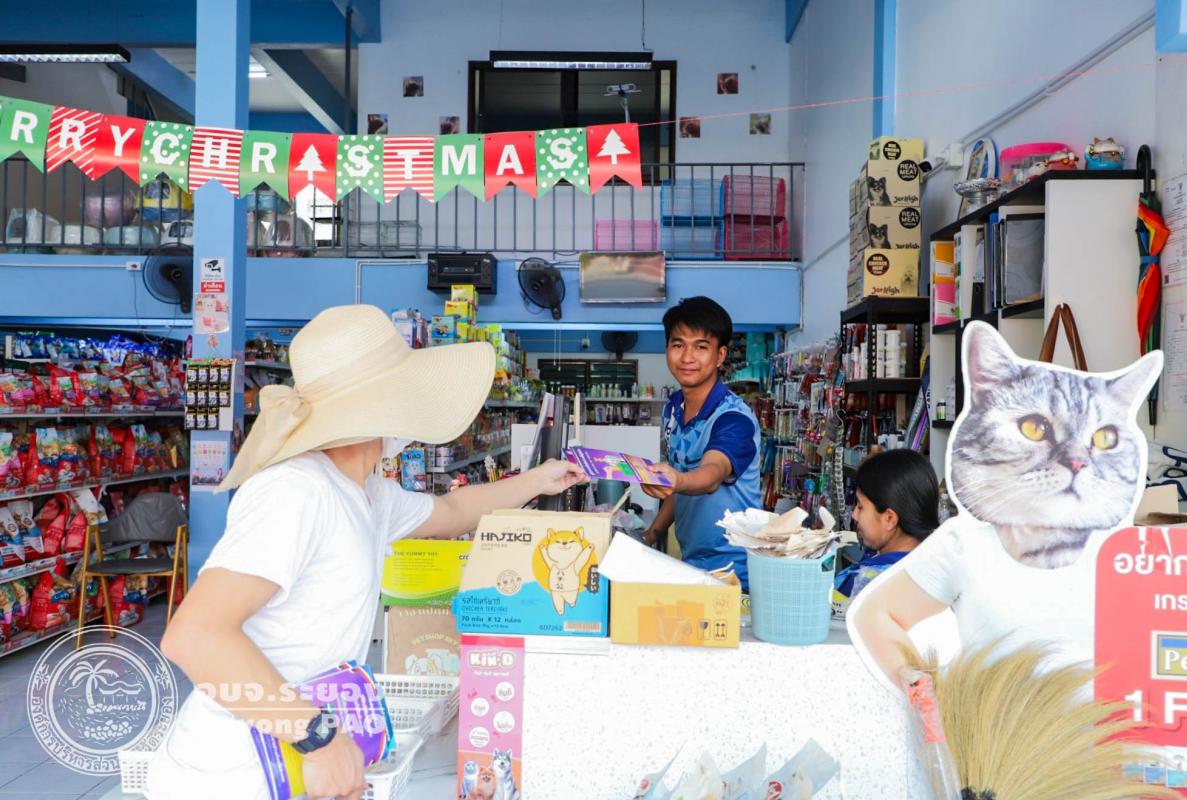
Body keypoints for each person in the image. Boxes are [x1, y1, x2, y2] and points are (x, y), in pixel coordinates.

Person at [147, 305, 585, 800]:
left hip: (290, 765)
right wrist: (316, 737)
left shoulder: (367, 493)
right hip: (232, 772)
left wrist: (539, 479)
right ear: (382, 407)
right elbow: (195, 636)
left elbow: (452, 511)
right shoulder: (296, 491)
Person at [642, 296, 761, 589]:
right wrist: (651, 534)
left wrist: (677, 479)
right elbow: (679, 486)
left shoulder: (734, 418)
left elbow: (711, 473)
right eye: (678, 344)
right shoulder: (673, 408)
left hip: (736, 572)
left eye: (700, 347)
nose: (687, 357)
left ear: (720, 356)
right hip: (693, 563)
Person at [833, 449, 939, 608]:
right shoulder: (933, 568)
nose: (854, 515)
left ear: (889, 519)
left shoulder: (867, 586)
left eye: (860, 507)